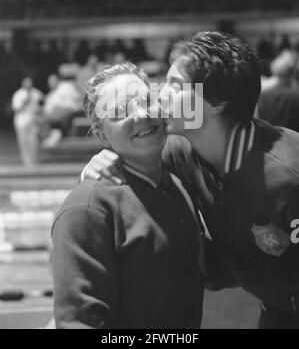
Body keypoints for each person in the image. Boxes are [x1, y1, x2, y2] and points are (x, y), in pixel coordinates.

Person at [83, 32, 299, 329]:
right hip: (274, 313)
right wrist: (100, 164)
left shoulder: (288, 174)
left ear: (218, 102)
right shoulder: (179, 150)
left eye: (176, 86)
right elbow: (131, 153)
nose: (160, 95)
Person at [52, 63, 205, 329]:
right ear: (101, 134)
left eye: (148, 101)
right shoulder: (88, 208)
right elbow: (79, 322)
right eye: (120, 111)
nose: (141, 114)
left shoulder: (176, 185)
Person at [258, 50, 299, 132]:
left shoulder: (263, 95)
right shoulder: (295, 96)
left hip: (268, 139)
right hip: (292, 140)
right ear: (293, 72)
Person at [11, 76, 43, 167]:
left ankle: (33, 159)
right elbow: (15, 108)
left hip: (33, 119)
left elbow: (42, 106)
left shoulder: (37, 93)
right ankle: (26, 160)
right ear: (23, 84)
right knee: (23, 141)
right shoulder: (18, 94)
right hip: (21, 120)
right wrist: (25, 102)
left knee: (34, 140)